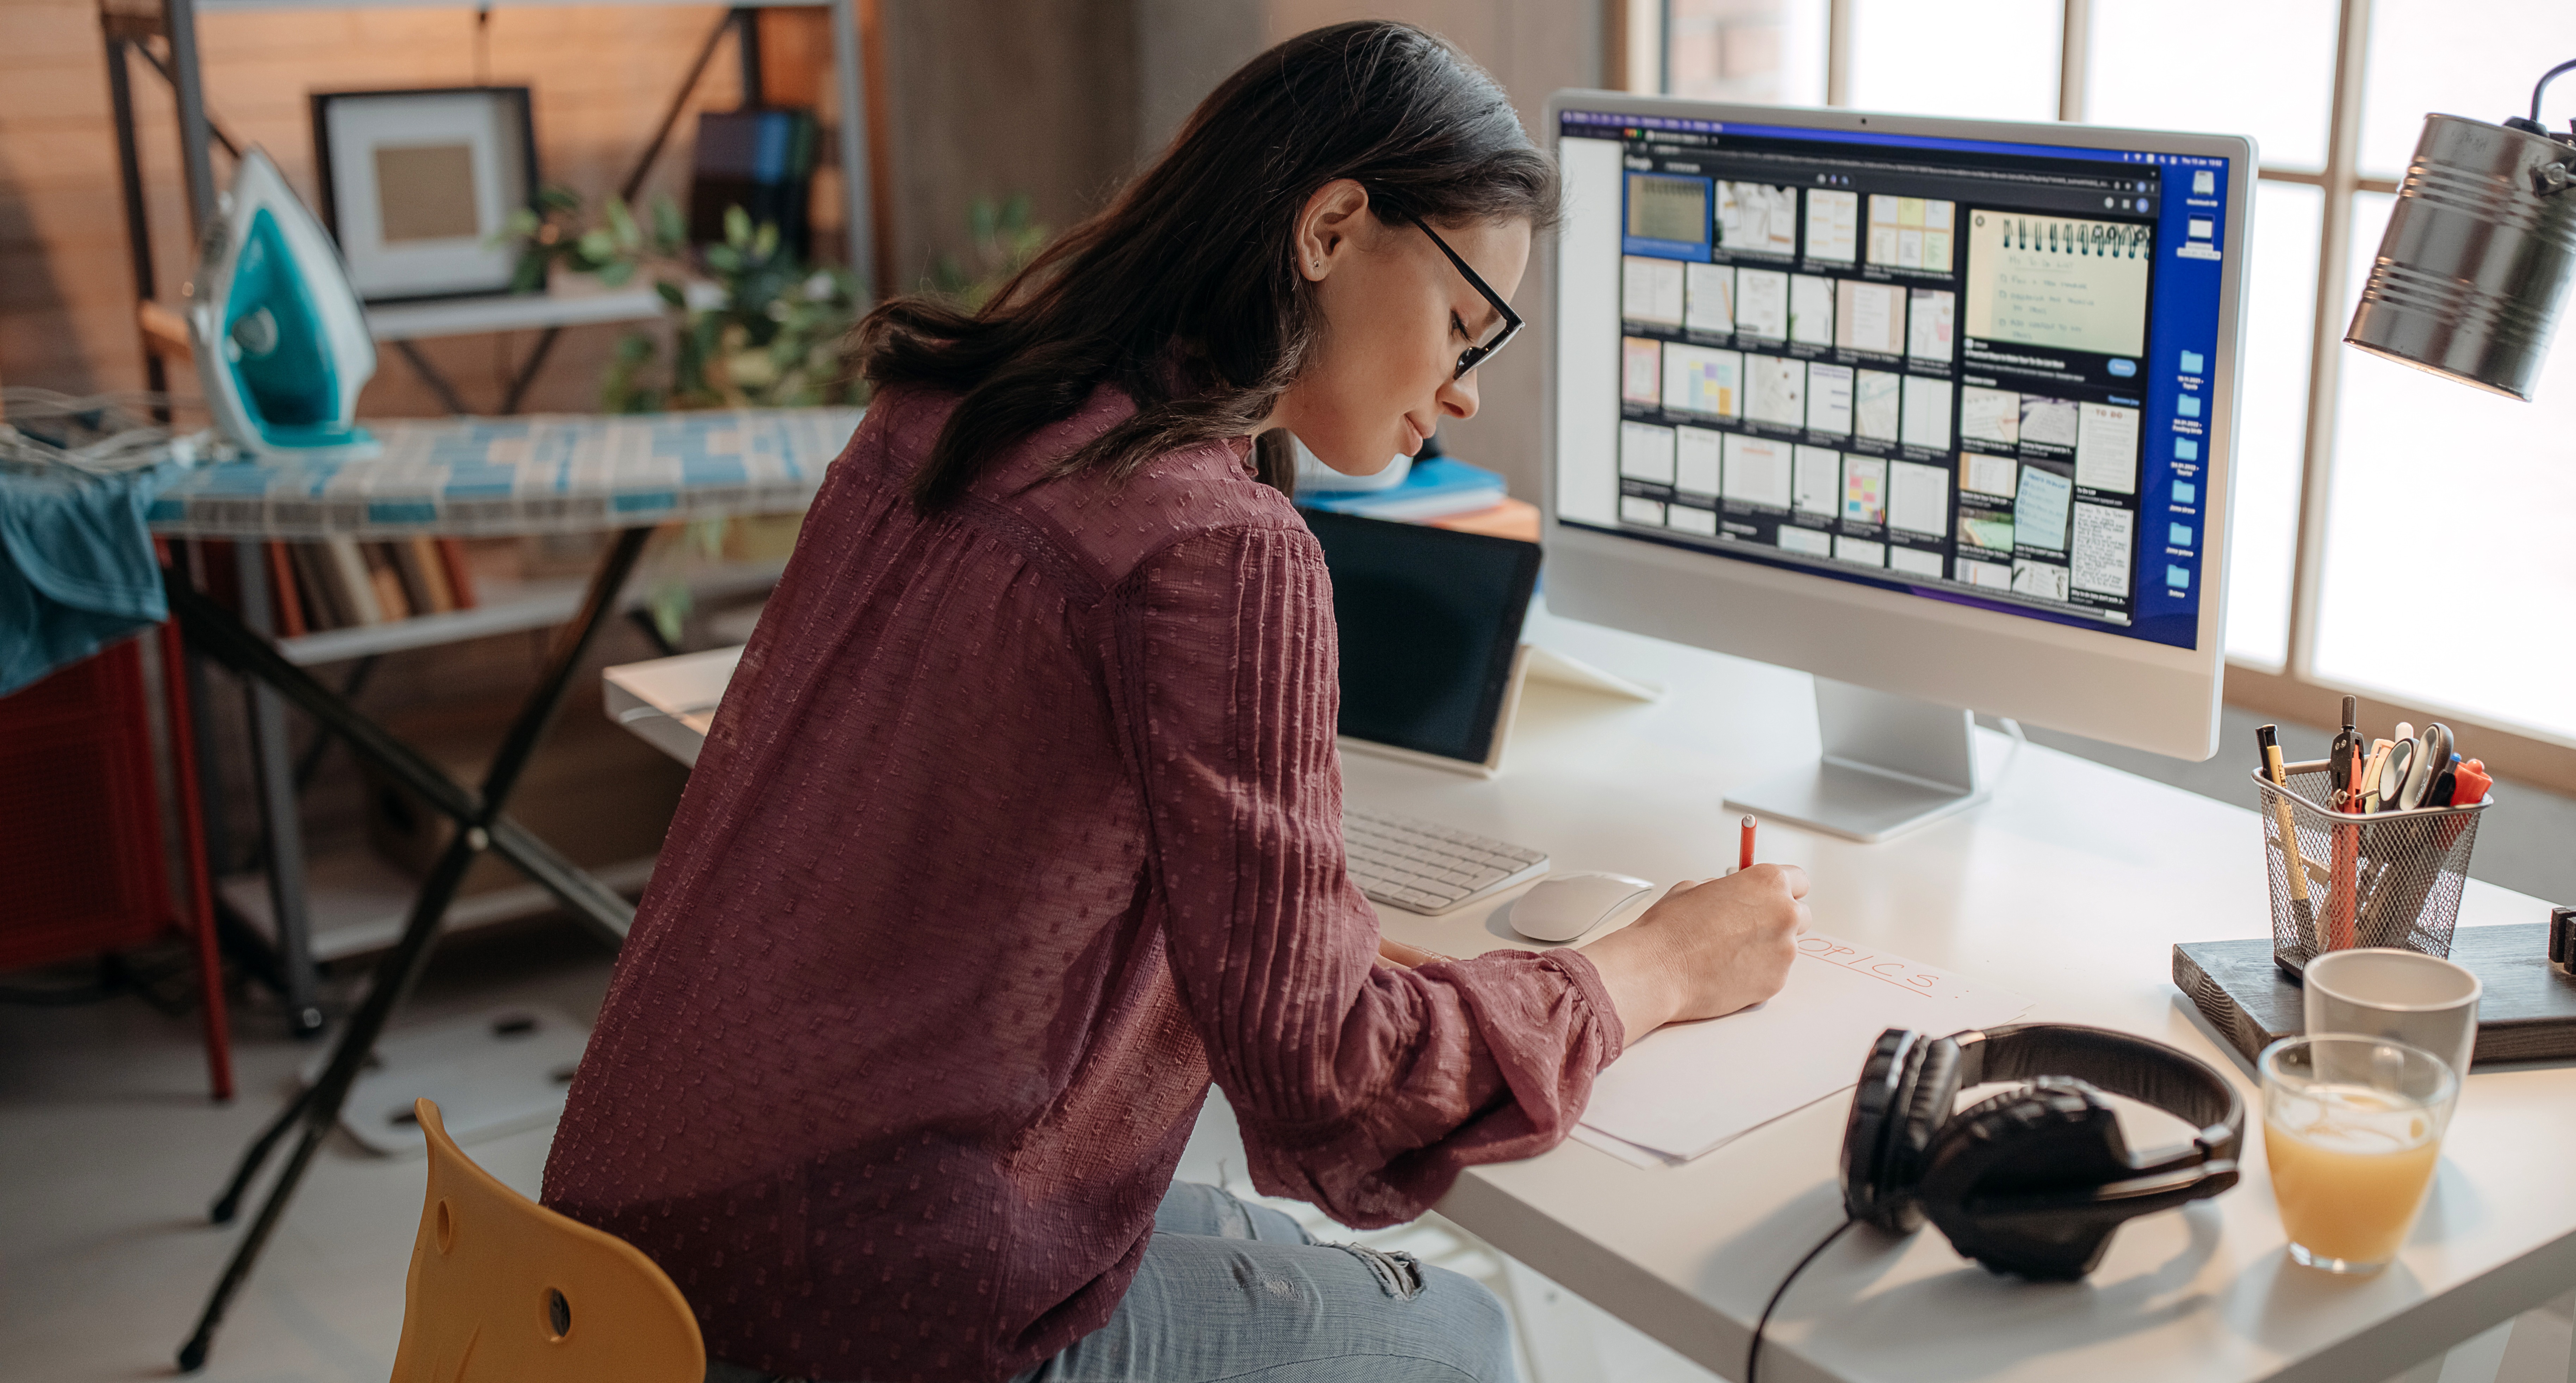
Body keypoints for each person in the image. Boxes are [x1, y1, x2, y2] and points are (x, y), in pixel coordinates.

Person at [541, 21, 1810, 1383]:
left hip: (614, 1264)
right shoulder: (1217, 544)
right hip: (854, 1317)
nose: (1463, 388)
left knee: (1203, 1225)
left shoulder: (947, 410)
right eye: (1462, 321)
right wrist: (1660, 966)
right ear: (1329, 227)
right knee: (1464, 1340)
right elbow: (1331, 1088)